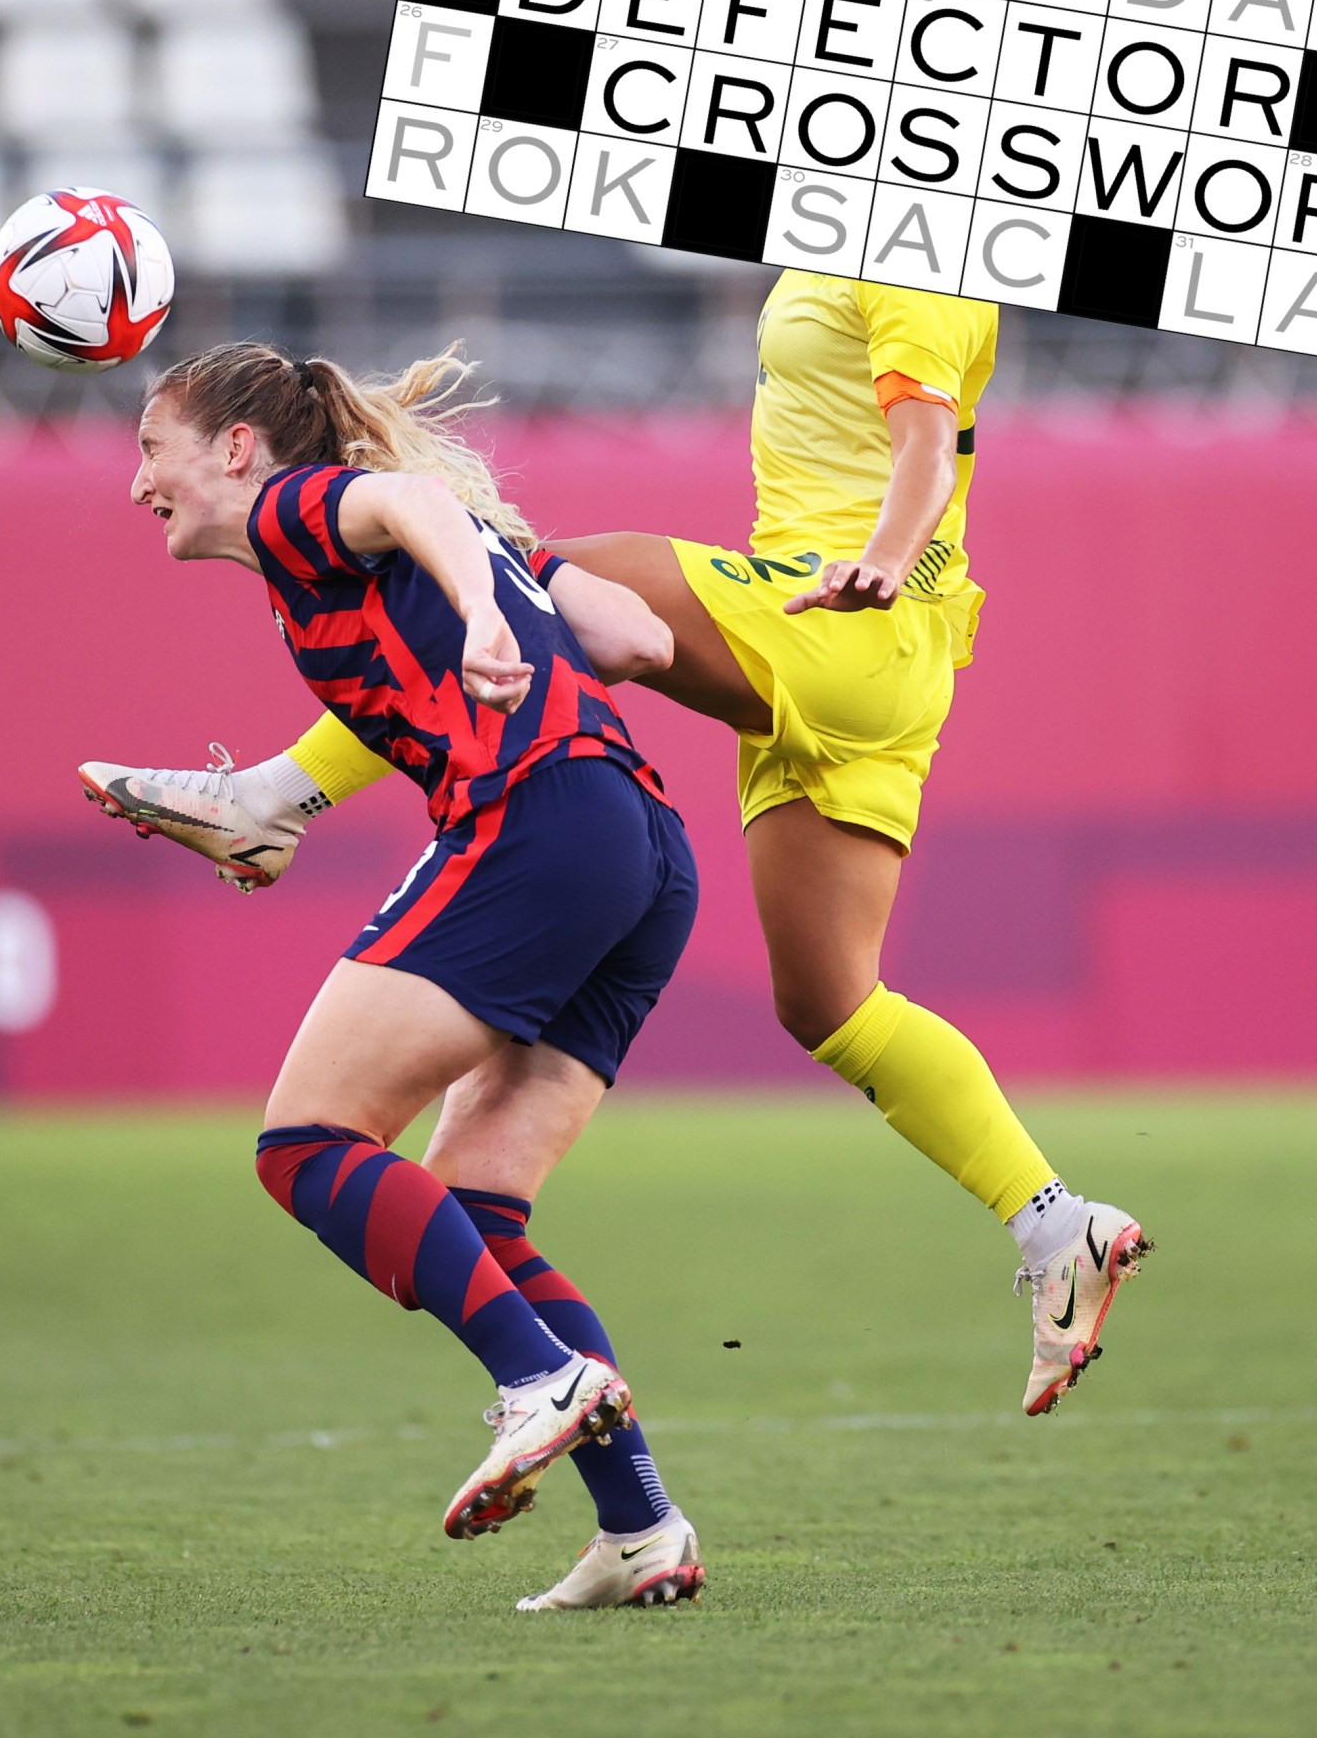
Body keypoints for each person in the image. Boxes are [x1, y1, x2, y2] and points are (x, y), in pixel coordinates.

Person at [83, 277, 1150, 1418]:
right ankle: (1054, 1226)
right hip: (837, 659)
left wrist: (884, 559)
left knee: (519, 572)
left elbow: (927, 447)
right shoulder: (827, 254)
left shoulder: (907, 256)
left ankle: (273, 799)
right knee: (833, 1003)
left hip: (841, 618)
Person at [117, 339, 706, 1611]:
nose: (138, 485)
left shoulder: (299, 509)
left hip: (536, 821)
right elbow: (643, 640)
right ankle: (641, 1528)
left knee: (306, 1147)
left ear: (235, 448)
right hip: (647, 851)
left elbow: (399, 500)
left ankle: (538, 1381)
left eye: (151, 451)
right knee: (478, 1216)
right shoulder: (449, 552)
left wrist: (486, 613)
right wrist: (510, 591)